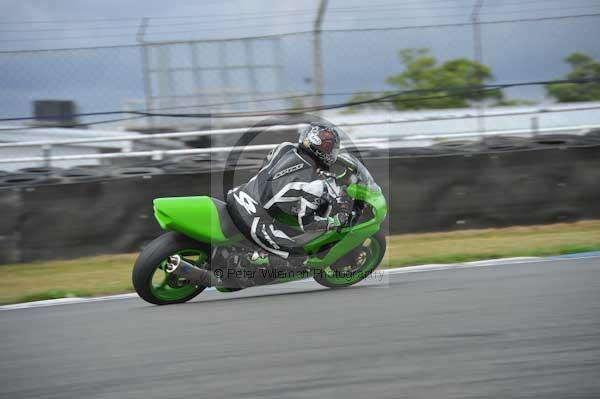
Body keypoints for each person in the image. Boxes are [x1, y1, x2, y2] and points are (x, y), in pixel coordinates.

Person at [226, 123, 351, 261]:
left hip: (239, 194)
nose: (332, 153)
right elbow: (308, 225)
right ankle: (254, 262)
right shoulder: (313, 185)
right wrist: (335, 221)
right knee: (299, 259)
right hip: (254, 221)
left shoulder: (285, 147)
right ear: (322, 151)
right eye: (330, 149)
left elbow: (266, 166)